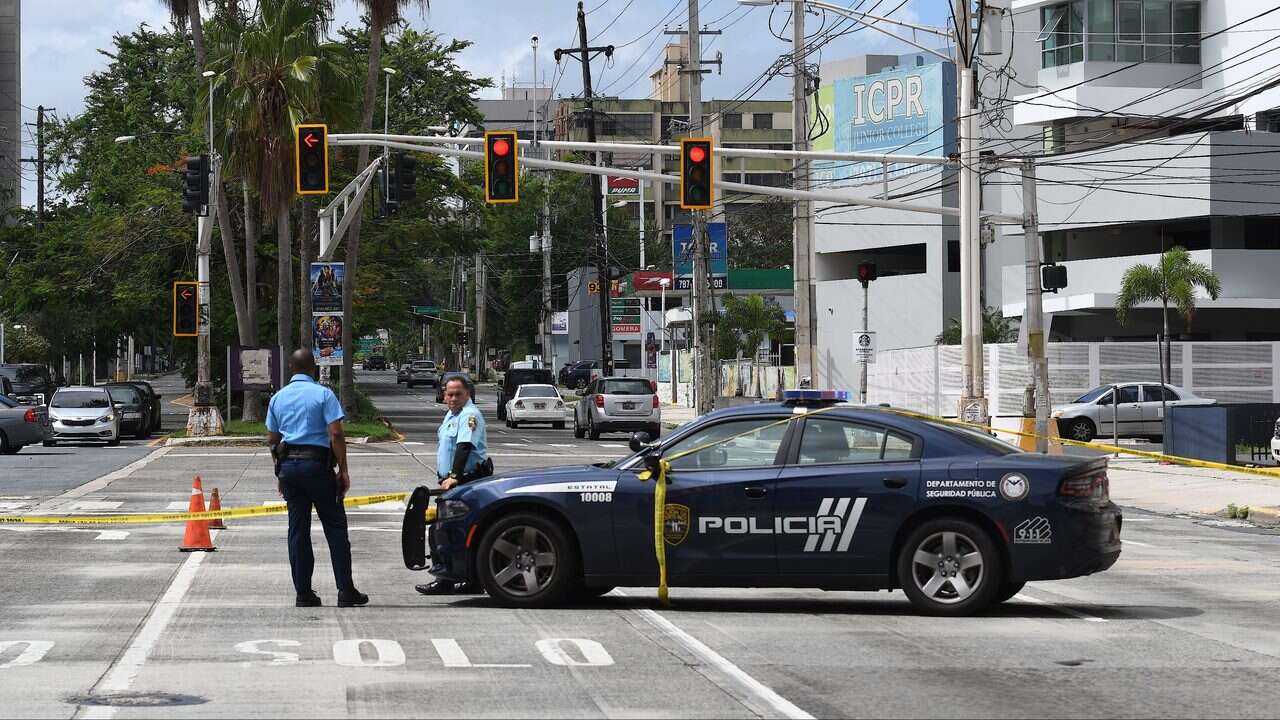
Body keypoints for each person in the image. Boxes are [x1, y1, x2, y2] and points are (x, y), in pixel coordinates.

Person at [267, 349, 369, 608]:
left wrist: (280, 470)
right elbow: (335, 433)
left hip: (289, 466)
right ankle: (345, 590)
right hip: (317, 467)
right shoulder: (323, 394)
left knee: (297, 530)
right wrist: (343, 470)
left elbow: (272, 439)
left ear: (291, 367)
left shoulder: (278, 398)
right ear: (313, 368)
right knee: (335, 528)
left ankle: (303, 593)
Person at [416, 375, 493, 596]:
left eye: (458, 394)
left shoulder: (469, 415)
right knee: (456, 530)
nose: (452, 398)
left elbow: (464, 447)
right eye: (449, 394)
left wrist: (454, 476)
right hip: (453, 481)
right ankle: (469, 580)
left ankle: (446, 580)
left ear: (467, 394)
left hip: (465, 481)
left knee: (445, 530)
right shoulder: (452, 414)